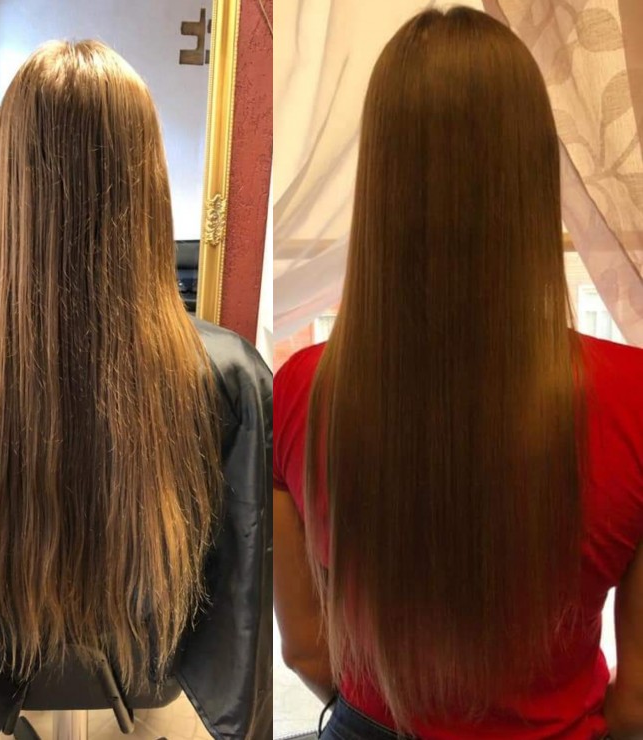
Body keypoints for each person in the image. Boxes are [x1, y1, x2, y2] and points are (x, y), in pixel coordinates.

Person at [273, 8, 643, 740]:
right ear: (533, 176)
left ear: (379, 180)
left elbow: (306, 648)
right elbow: (637, 704)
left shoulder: (299, 391)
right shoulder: (632, 396)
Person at [0, 40, 272, 740]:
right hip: (161, 705)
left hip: (1, 703)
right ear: (148, 178)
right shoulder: (229, 375)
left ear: (10, 182)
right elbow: (242, 606)